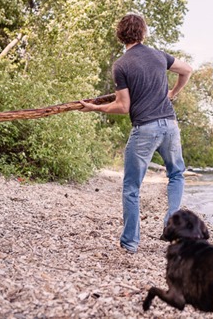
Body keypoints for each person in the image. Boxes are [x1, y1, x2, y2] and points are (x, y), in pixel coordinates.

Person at [79, 13, 192, 254]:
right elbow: (187, 70)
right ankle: (171, 223)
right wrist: (173, 93)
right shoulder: (159, 56)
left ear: (121, 35)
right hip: (170, 126)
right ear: (143, 33)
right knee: (176, 175)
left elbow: (123, 106)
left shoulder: (122, 64)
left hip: (145, 129)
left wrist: (95, 108)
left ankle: (130, 243)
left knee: (132, 187)